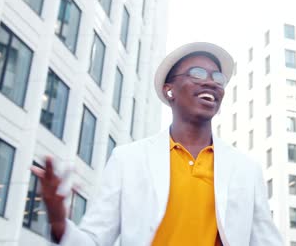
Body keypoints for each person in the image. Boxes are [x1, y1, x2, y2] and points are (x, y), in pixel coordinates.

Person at [32, 42, 282, 245]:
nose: (210, 82)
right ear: (169, 89)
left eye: (217, 77)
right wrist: (59, 223)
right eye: (197, 74)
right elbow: (95, 241)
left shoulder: (246, 169)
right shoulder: (128, 159)